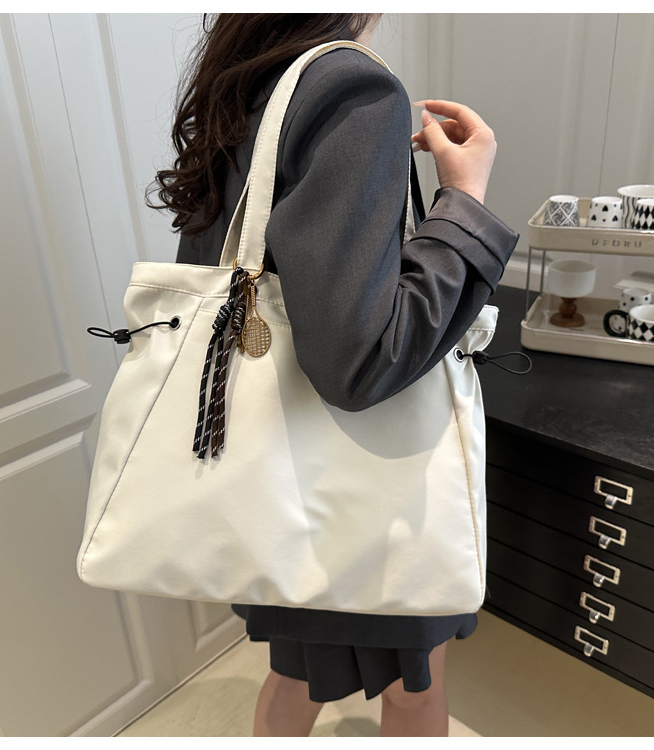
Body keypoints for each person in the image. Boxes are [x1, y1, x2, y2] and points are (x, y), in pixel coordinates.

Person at [149, 13, 518, 737]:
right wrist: (465, 200)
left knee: (294, 673)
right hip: (370, 493)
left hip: (269, 484)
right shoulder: (350, 86)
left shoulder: (247, 81)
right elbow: (361, 363)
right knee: (414, 691)